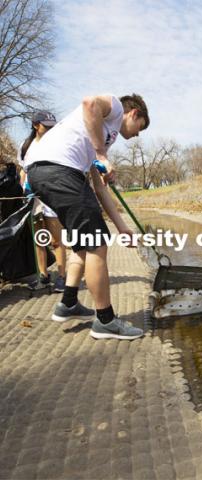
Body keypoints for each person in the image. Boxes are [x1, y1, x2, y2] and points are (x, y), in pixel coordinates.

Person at [25, 94, 149, 340]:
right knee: (97, 245)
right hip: (59, 171)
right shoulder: (112, 108)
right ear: (133, 113)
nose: (137, 134)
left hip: (45, 174)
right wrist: (102, 154)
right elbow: (89, 103)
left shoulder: (97, 133)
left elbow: (99, 188)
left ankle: (69, 303)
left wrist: (122, 227)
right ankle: (105, 320)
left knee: (83, 244)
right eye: (140, 127)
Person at [18, 111, 67, 292]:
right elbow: (24, 170)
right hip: (34, 198)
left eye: (53, 127)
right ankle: (43, 276)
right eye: (46, 126)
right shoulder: (26, 146)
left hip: (52, 196)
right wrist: (24, 189)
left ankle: (62, 277)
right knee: (39, 239)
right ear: (35, 125)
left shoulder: (59, 145)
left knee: (57, 240)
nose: (50, 130)